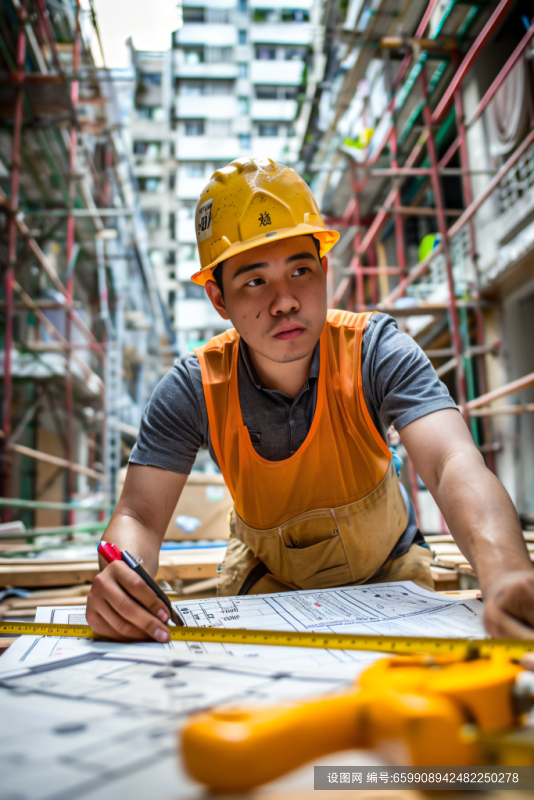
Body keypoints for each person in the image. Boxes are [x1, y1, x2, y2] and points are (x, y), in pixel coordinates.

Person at [87, 157, 534, 644]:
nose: (285, 301)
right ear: (219, 299)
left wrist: (507, 572)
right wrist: (124, 582)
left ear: (323, 270)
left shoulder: (375, 350)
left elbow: (452, 463)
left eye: (300, 270)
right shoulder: (194, 387)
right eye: (255, 281)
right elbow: (139, 515)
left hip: (390, 576)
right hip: (266, 586)